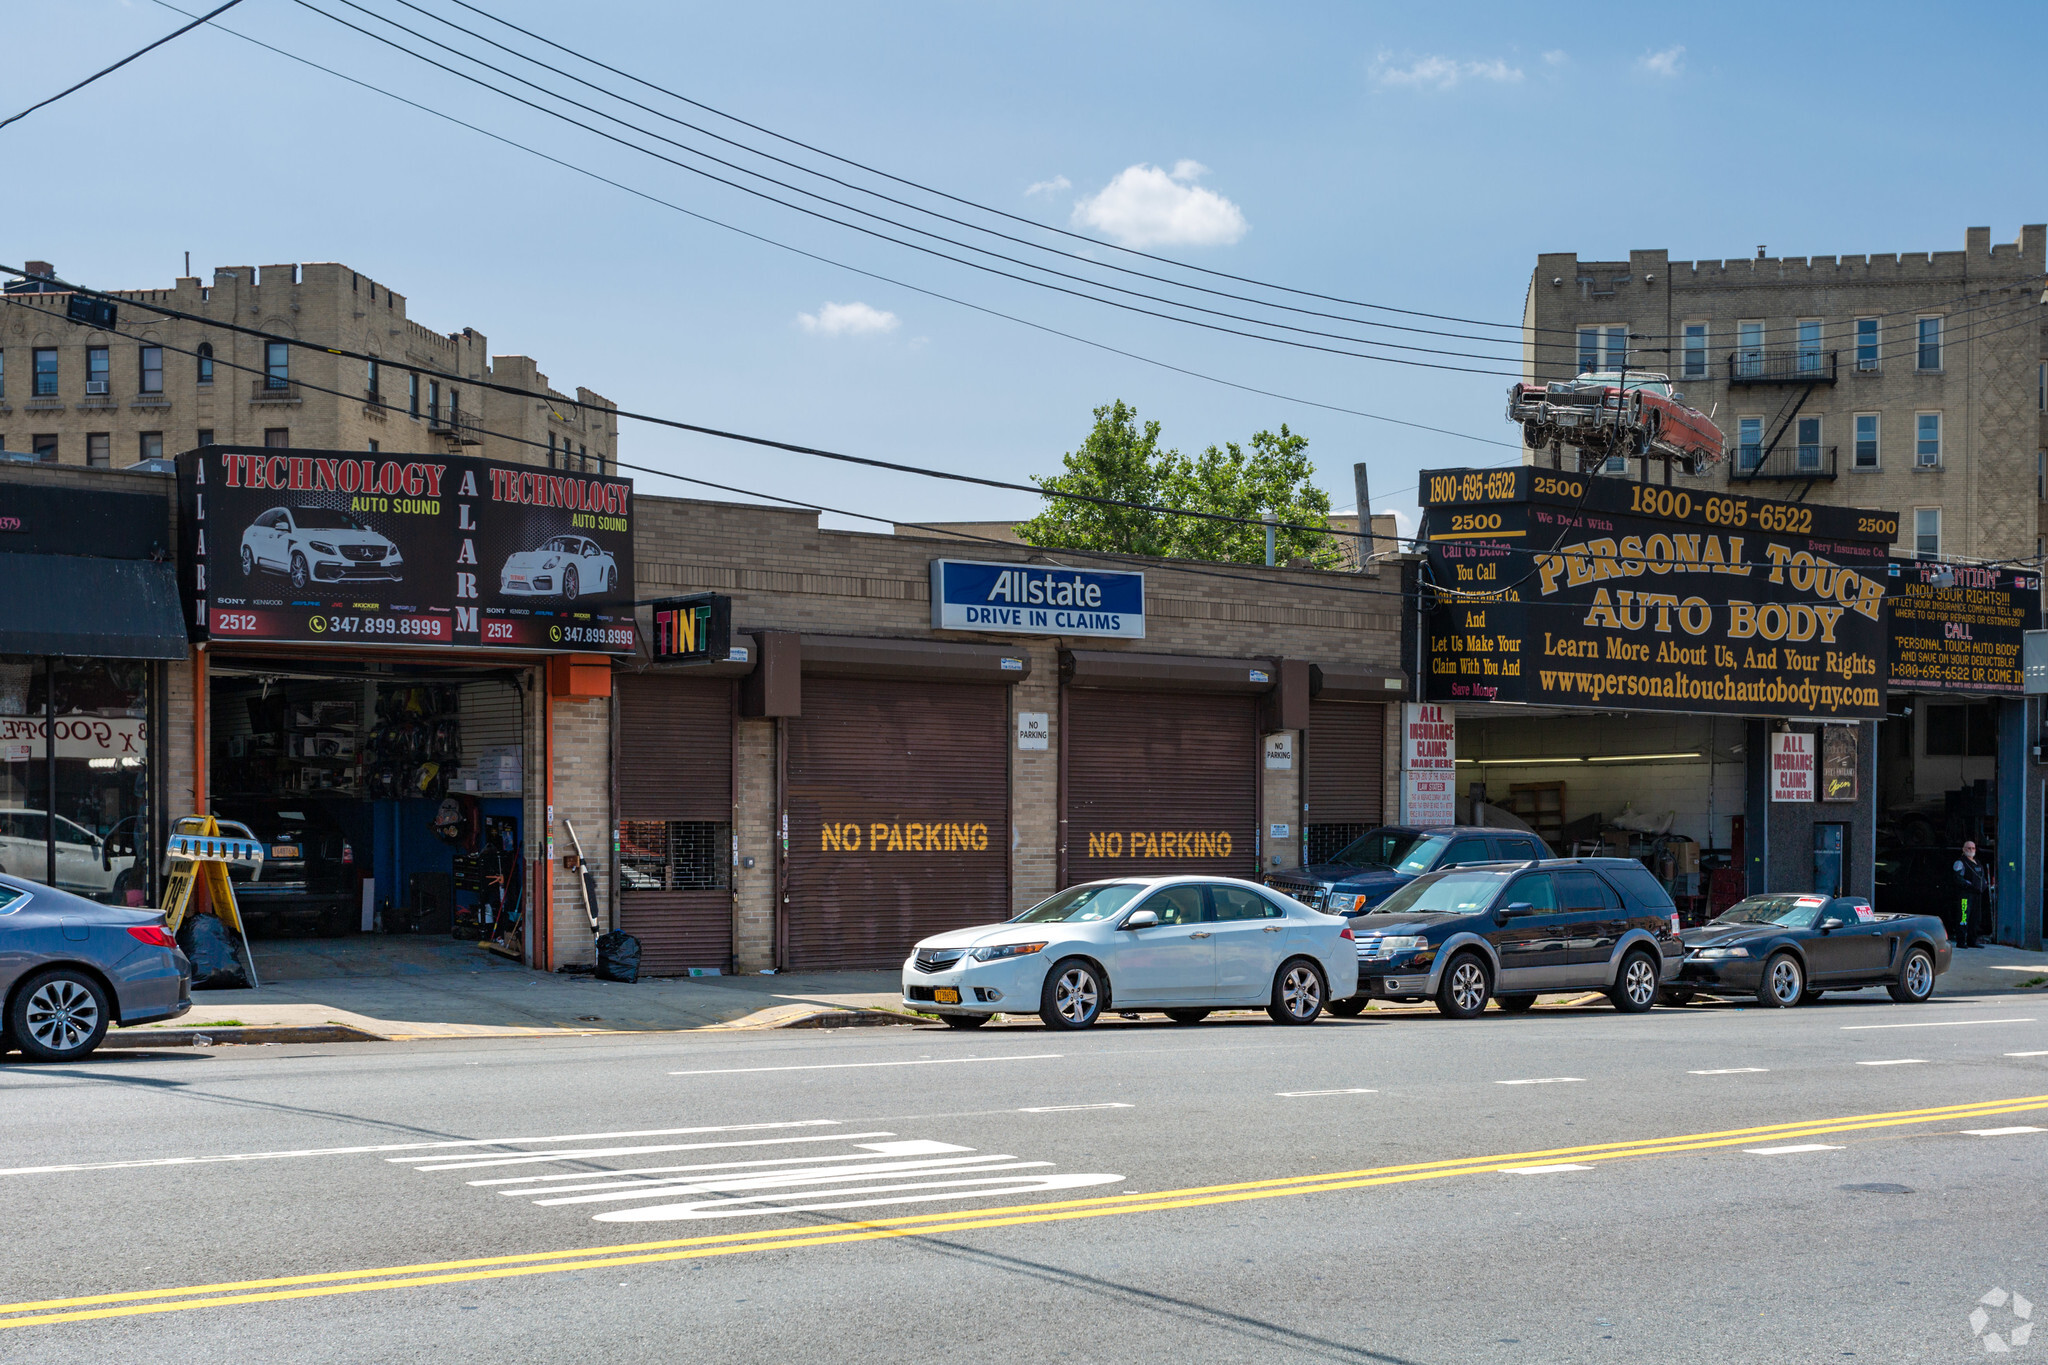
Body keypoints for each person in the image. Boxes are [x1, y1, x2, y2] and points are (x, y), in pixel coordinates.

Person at [1951, 840, 1988, 947]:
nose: (1971, 850)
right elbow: (1958, 878)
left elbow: (1982, 878)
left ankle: (1972, 941)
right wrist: (1969, 885)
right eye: (1968, 848)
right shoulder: (1960, 862)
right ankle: (1961, 942)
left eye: (1973, 848)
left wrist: (1984, 885)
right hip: (1965, 895)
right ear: (1963, 849)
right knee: (1963, 917)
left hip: (1977, 895)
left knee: (1976, 918)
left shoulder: (1978, 863)